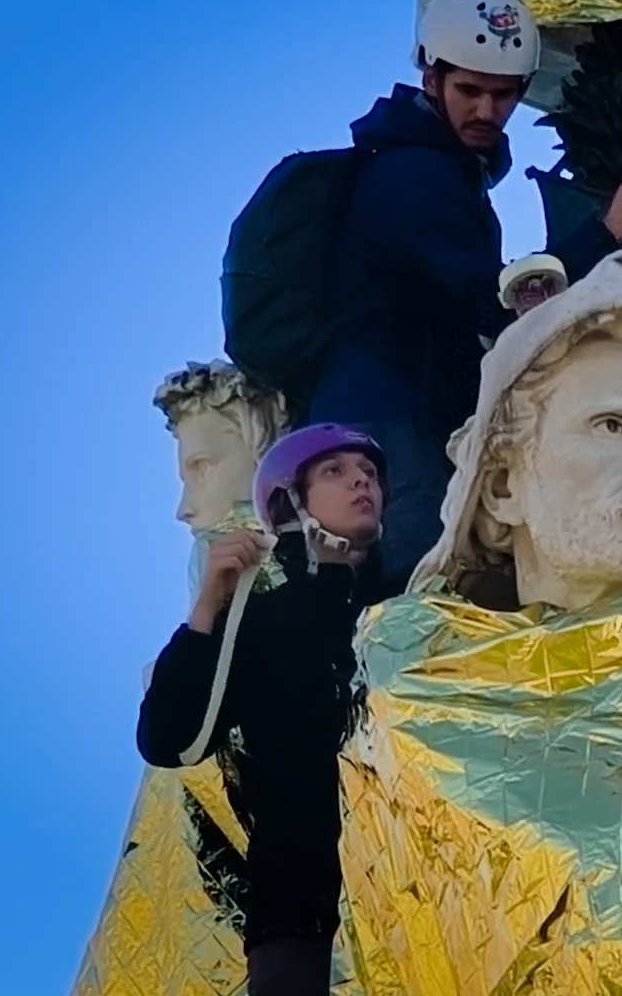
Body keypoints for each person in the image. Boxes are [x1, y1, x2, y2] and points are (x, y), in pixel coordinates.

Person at [307, 0, 622, 584]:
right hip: (391, 432)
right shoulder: (416, 175)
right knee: (418, 599)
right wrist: (607, 232)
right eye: (470, 90)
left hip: (388, 420)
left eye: (504, 95)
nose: (487, 111)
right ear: (432, 79)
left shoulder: (437, 169)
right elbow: (492, 302)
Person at [136, 424, 395, 996]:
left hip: (416, 898)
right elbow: (170, 739)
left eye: (369, 472)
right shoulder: (261, 620)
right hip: (299, 916)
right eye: (336, 471)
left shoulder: (409, 604)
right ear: (292, 500)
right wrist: (209, 606)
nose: (360, 480)